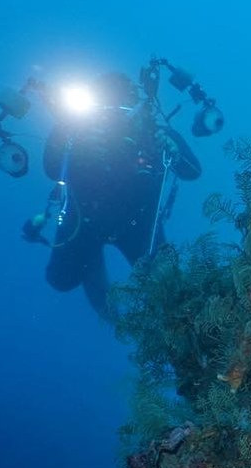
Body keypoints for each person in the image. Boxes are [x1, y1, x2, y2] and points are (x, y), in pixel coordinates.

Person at [18, 70, 200, 320]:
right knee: (61, 279)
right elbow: (52, 169)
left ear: (137, 105)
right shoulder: (75, 132)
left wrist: (174, 150)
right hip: (83, 221)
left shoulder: (152, 132)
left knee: (170, 288)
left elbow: (193, 171)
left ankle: (169, 326)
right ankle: (104, 296)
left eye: (123, 106)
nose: (114, 114)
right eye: (106, 106)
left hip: (140, 222)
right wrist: (68, 135)